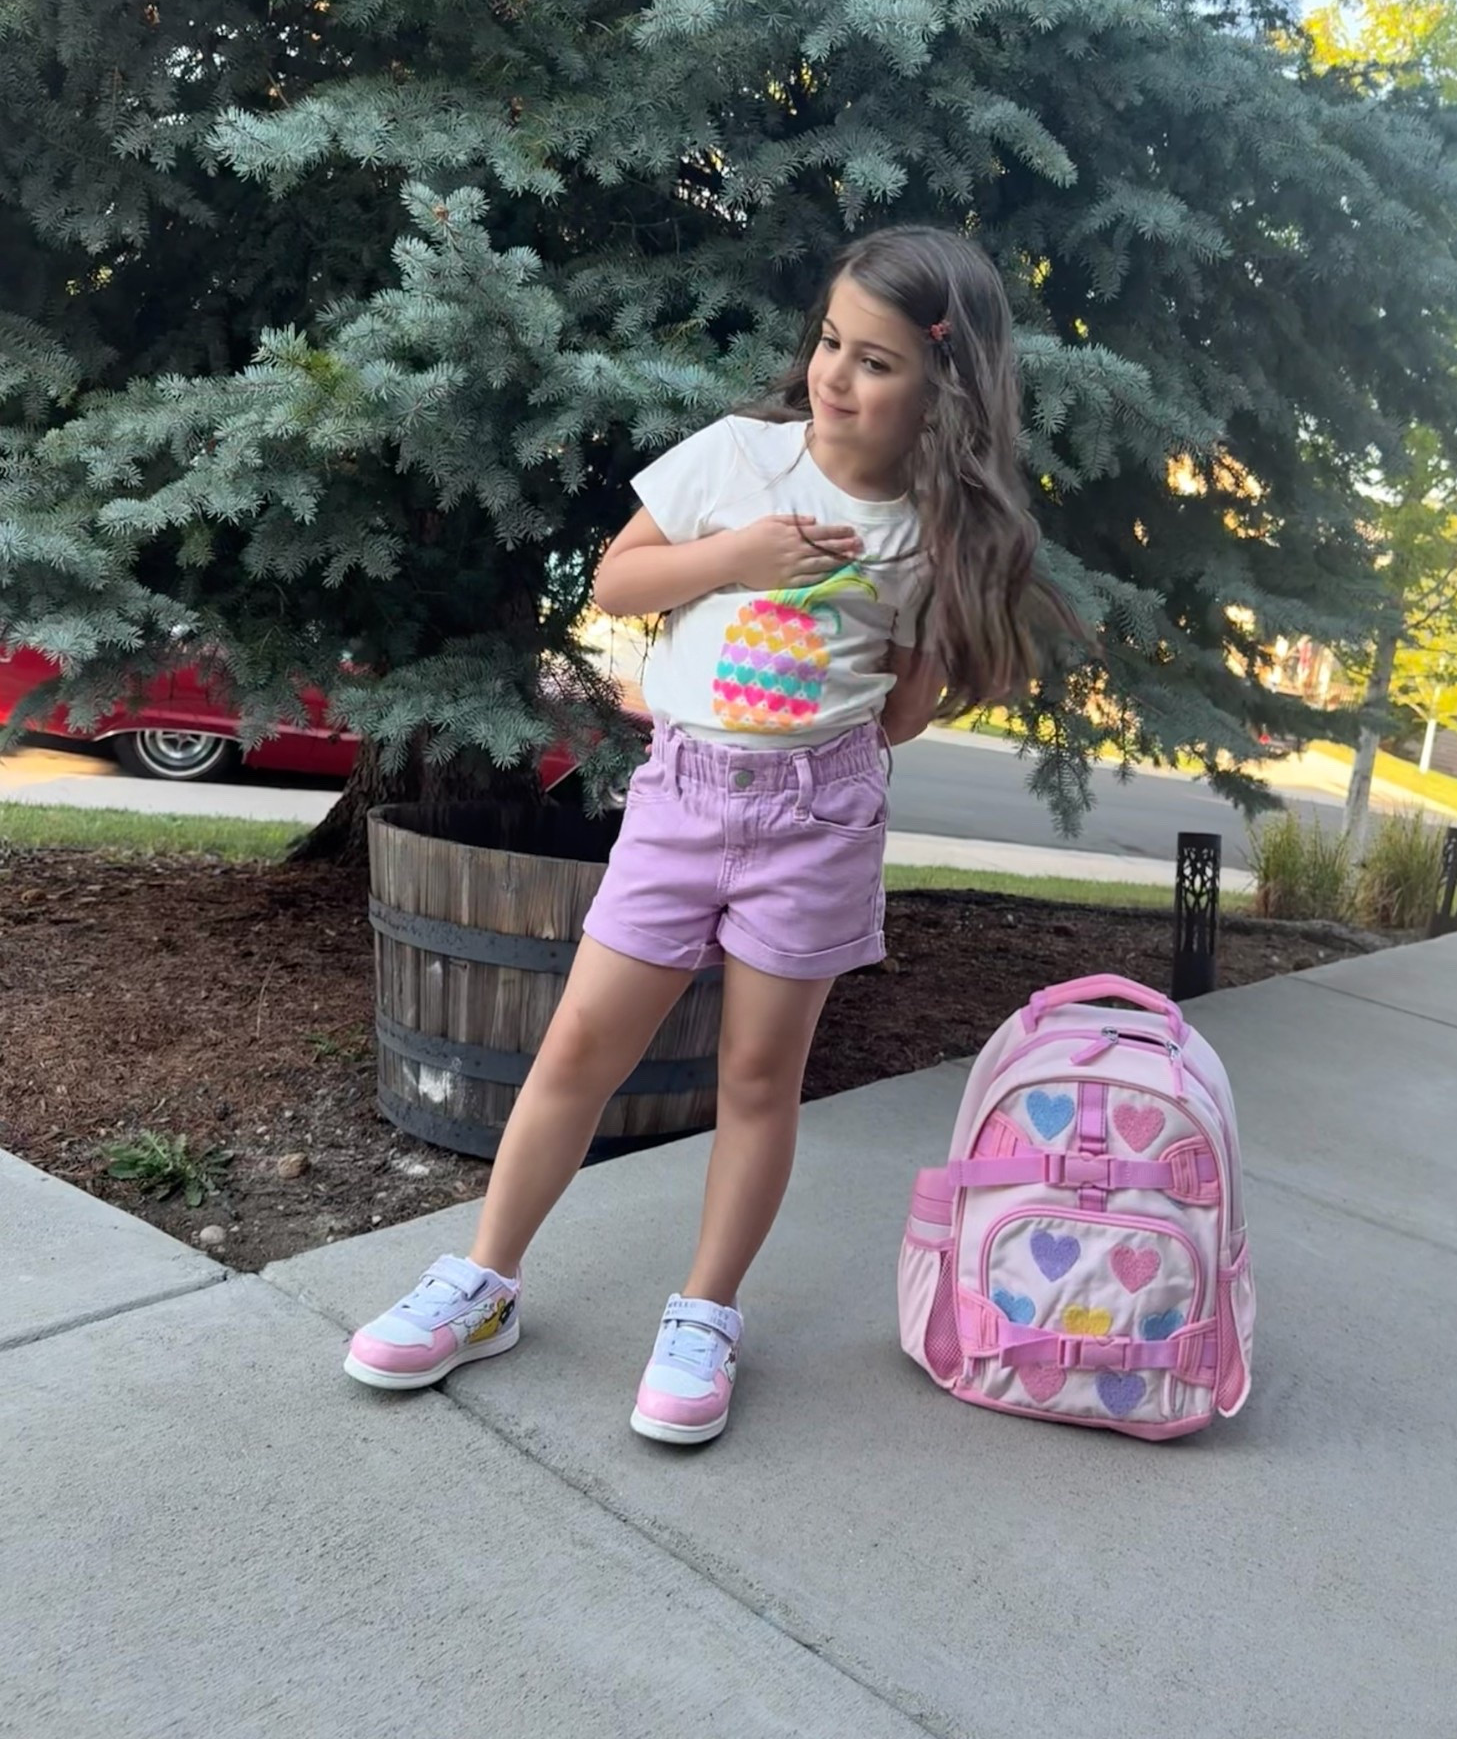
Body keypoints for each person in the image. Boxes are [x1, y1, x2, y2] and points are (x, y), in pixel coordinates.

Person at [343, 224, 1080, 1443]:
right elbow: (617, 586)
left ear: (945, 390)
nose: (838, 376)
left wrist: (941, 625)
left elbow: (894, 718)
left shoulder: (927, 532)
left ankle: (704, 1309)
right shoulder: (738, 457)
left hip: (819, 816)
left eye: (879, 362)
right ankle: (484, 1281)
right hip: (684, 800)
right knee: (579, 1041)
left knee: (756, 1077)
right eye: (832, 342)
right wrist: (742, 555)